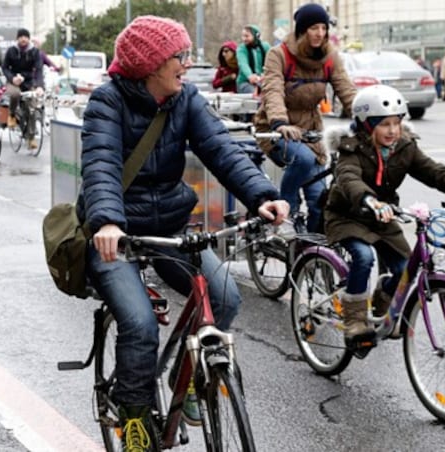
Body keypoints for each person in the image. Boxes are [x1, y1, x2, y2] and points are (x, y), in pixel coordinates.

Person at [78, 15, 289, 450]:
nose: (187, 65)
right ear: (151, 63)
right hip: (117, 236)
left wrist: (261, 194)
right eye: (180, 56)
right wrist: (108, 222)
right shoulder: (107, 102)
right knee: (139, 325)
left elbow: (221, 149)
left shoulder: (185, 99)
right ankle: (133, 419)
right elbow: (99, 166)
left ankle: (186, 379)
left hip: (170, 226)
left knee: (225, 297)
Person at [323, 84, 445, 340]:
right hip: (348, 215)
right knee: (363, 258)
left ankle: (382, 307)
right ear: (367, 124)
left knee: (404, 267)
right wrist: (369, 200)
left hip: (384, 216)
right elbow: (349, 178)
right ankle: (354, 320)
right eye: (384, 124)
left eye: (397, 123)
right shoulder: (350, 148)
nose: (393, 130)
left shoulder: (405, 147)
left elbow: (434, 172)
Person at [253, 3, 356, 234]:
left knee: (320, 202)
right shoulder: (279, 55)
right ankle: (286, 208)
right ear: (301, 30)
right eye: (313, 28)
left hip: (310, 131)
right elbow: (273, 91)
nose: (320, 33)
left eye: (323, 27)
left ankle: (306, 256)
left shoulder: (330, 58)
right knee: (303, 160)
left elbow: (347, 91)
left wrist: (369, 118)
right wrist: (280, 123)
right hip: (275, 128)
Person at [1, 28, 44, 150]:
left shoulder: (35, 52)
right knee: (15, 94)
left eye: (25, 37)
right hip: (14, 81)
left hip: (28, 81)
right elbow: (4, 67)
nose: (23, 39)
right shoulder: (11, 51)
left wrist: (39, 86)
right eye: (21, 37)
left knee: (31, 107)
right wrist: (12, 78)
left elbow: (39, 70)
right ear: (17, 39)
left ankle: (31, 138)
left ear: (29, 39)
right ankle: (12, 114)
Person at [236, 25, 271, 94]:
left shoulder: (265, 47)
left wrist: (266, 75)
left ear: (256, 36)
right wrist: (250, 76)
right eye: (243, 36)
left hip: (263, 80)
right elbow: (243, 64)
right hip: (245, 82)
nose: (244, 39)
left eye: (247, 36)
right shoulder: (241, 49)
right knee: (253, 93)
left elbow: (271, 62)